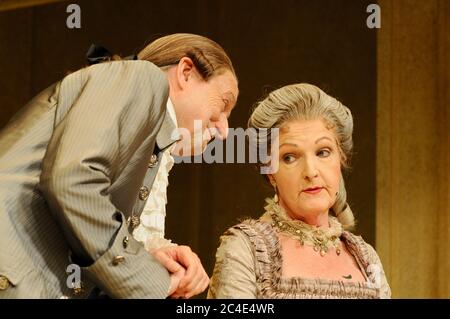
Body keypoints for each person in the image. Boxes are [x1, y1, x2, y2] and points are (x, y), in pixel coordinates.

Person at [0, 33, 238, 299]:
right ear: (185, 72)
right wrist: (145, 279)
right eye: (224, 104)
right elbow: (73, 180)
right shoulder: (143, 78)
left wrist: (149, 258)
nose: (225, 130)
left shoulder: (143, 137)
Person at [208, 83, 390, 299]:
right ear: (269, 172)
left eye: (323, 152)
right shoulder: (246, 250)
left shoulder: (366, 258)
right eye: (290, 157)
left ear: (340, 159)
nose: (311, 172)